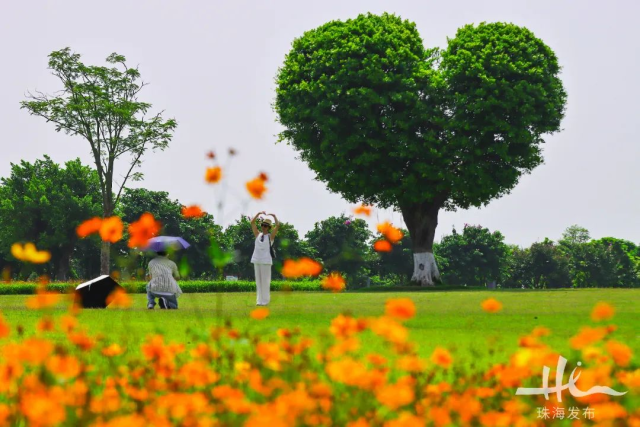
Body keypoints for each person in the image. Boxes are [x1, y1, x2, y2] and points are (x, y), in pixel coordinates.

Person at [250, 211, 279, 306]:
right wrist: (258, 214)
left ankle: (265, 301)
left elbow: (277, 226)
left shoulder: (270, 237)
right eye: (263, 225)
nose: (263, 227)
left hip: (266, 261)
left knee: (265, 282)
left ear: (269, 227)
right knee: (258, 282)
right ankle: (259, 301)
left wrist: (274, 216)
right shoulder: (258, 235)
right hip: (257, 259)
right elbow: (252, 223)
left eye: (266, 226)